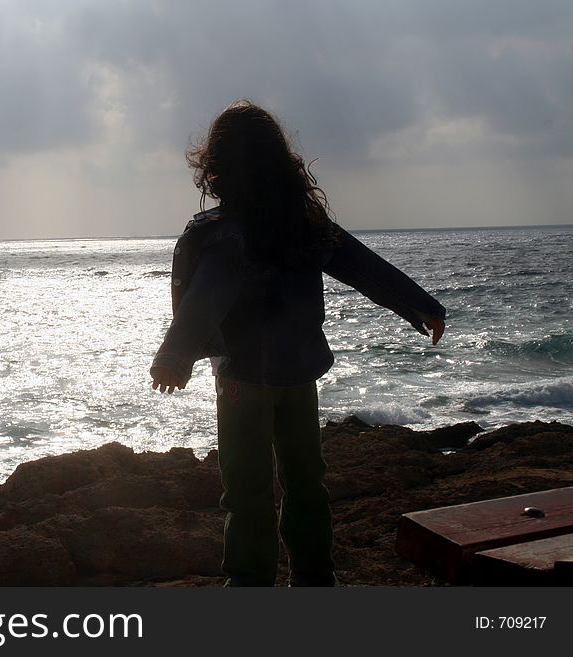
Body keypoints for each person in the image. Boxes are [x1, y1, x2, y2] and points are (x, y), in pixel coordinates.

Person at [150, 100, 446, 587]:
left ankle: (249, 585)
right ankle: (315, 581)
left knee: (247, 493)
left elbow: (206, 299)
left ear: (217, 167)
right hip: (299, 372)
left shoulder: (223, 232)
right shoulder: (305, 224)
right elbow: (364, 267)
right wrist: (421, 306)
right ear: (279, 158)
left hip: (242, 379)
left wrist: (174, 358)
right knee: (307, 484)